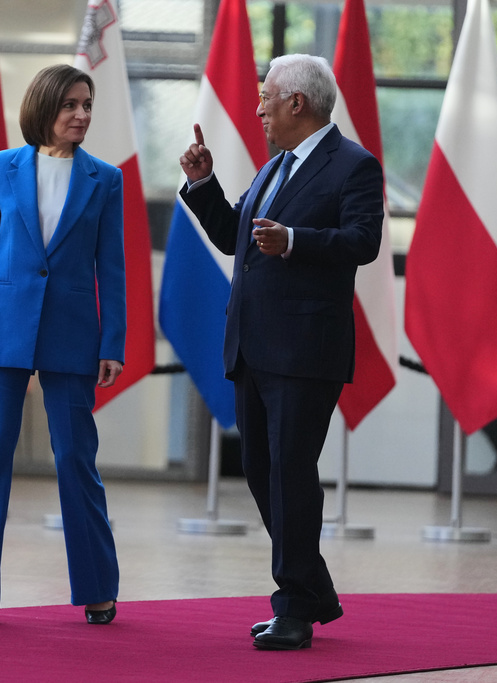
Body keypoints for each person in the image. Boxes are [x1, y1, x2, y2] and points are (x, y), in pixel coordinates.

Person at [178, 54, 384, 650]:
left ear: (298, 102)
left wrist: (295, 240)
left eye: (266, 97)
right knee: (261, 469)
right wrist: (203, 185)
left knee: (290, 472)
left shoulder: (354, 165)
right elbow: (235, 238)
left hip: (305, 349)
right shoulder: (274, 166)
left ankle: (293, 606)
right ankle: (315, 590)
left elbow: (364, 242)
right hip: (253, 345)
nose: (258, 108)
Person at [0, 64, 125, 626]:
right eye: (70, 104)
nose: (81, 114)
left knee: (75, 458)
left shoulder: (106, 179)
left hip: (72, 334)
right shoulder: (0, 167)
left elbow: (111, 268)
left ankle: (97, 587)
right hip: (1, 329)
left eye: (87, 105)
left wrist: (113, 342)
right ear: (45, 108)